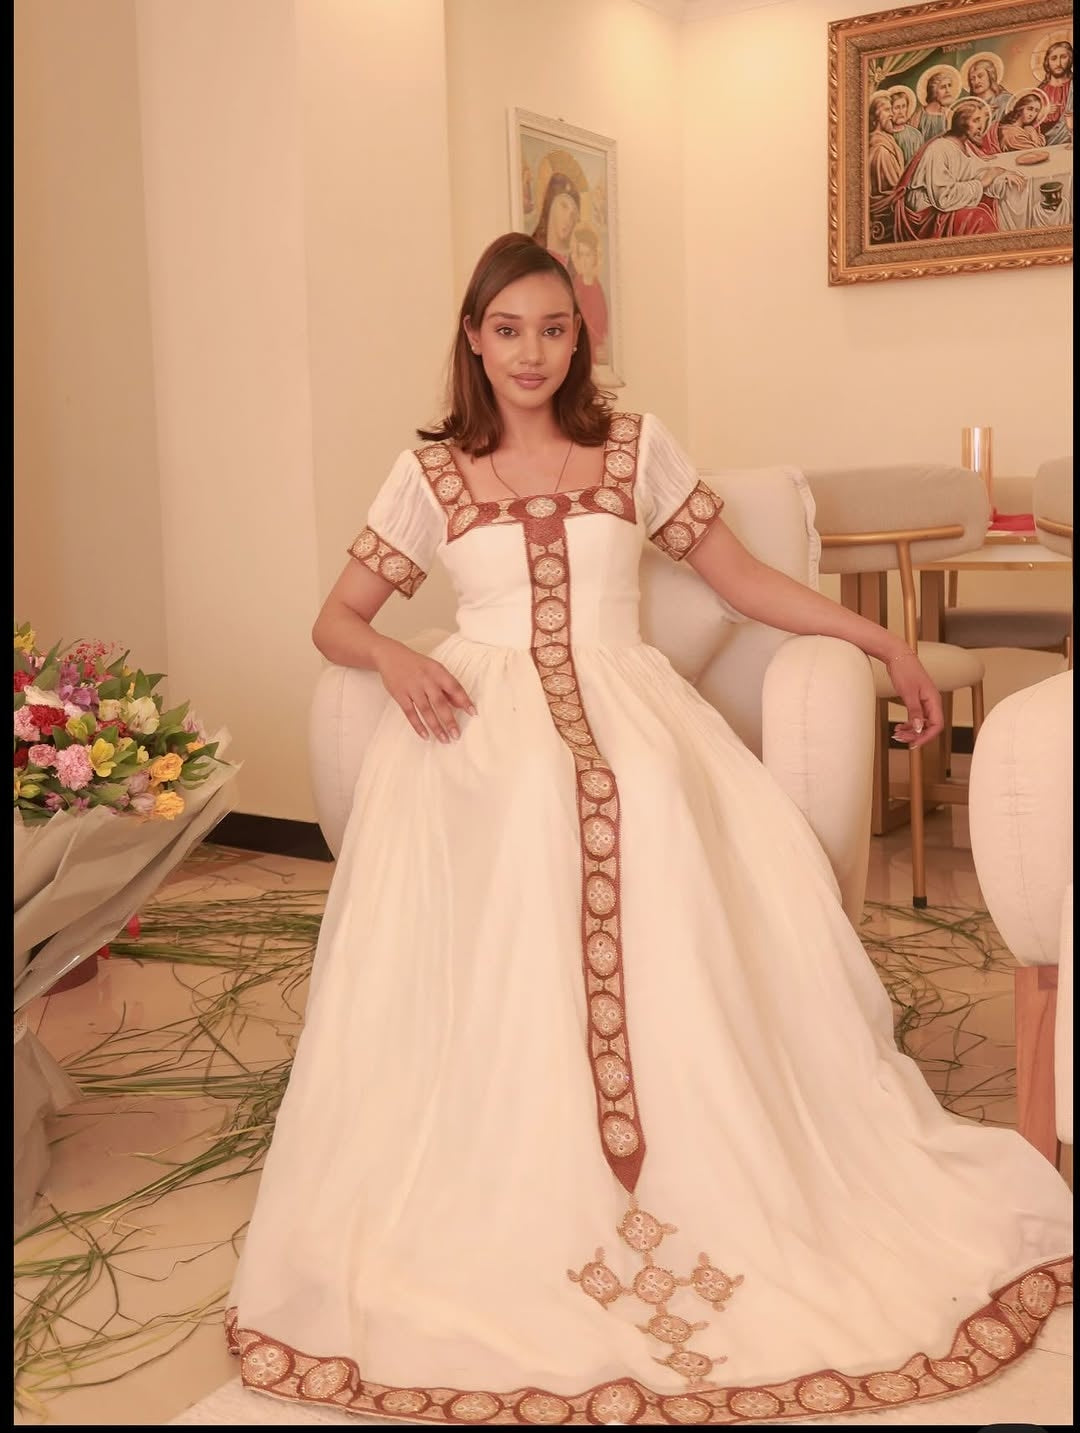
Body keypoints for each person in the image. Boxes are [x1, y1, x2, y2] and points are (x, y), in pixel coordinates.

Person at [224, 232, 1072, 1425]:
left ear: (583, 336)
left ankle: (715, 1167)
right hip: (479, 726)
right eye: (508, 328)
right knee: (524, 827)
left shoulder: (633, 446)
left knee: (656, 812)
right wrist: (398, 661)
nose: (531, 350)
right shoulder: (429, 473)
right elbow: (337, 616)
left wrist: (876, 637)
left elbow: (739, 580)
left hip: (634, 712)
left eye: (554, 327)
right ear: (473, 337)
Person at [893, 98, 1025, 240]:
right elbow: (943, 198)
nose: (981, 126)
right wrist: (982, 183)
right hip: (927, 215)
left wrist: (1002, 173)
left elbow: (978, 171)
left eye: (983, 121)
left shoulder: (964, 146)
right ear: (961, 122)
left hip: (945, 204)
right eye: (976, 120)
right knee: (979, 218)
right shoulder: (939, 149)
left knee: (990, 204)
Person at [867, 93, 905, 242]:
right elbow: (896, 186)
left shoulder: (887, 140)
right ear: (876, 116)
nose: (892, 114)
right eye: (887, 110)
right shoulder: (881, 150)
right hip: (886, 213)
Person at [570, 222, 610, 360]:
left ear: (595, 257)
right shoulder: (576, 288)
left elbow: (603, 319)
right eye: (581, 255)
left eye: (588, 255)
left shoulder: (598, 286)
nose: (585, 260)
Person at [530, 170, 581, 276]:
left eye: (573, 214)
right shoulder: (533, 257)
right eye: (564, 206)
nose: (569, 219)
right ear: (550, 206)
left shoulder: (574, 269)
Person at [1036, 38, 1074, 144]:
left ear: (1070, 59)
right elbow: (1028, 123)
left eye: (1063, 57)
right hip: (1048, 142)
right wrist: (1043, 113)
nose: (1058, 63)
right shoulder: (1040, 92)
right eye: (1053, 58)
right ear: (1047, 62)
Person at [961, 53, 1013, 122]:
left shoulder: (1005, 100)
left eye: (980, 76)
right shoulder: (968, 108)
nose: (976, 81)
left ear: (990, 76)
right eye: (972, 79)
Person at [914, 65, 958, 142]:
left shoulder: (950, 115)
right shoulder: (918, 115)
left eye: (949, 86)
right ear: (933, 91)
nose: (948, 90)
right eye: (943, 87)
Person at [889, 86, 924, 164]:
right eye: (897, 108)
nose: (901, 112)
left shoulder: (916, 134)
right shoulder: (886, 135)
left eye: (904, 106)